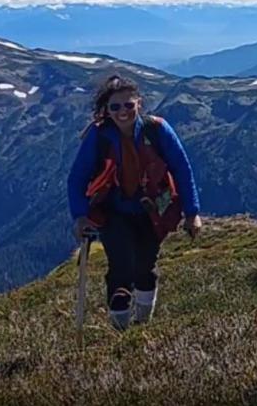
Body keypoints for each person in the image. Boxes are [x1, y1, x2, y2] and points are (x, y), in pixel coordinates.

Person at [68, 74, 202, 330]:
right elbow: (77, 178)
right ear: (106, 110)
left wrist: (192, 212)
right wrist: (80, 216)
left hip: (151, 211)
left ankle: (141, 324)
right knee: (121, 267)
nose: (122, 112)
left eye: (128, 105)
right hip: (113, 211)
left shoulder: (158, 129)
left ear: (139, 103)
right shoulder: (98, 137)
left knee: (146, 266)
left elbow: (182, 169)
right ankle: (120, 330)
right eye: (115, 107)